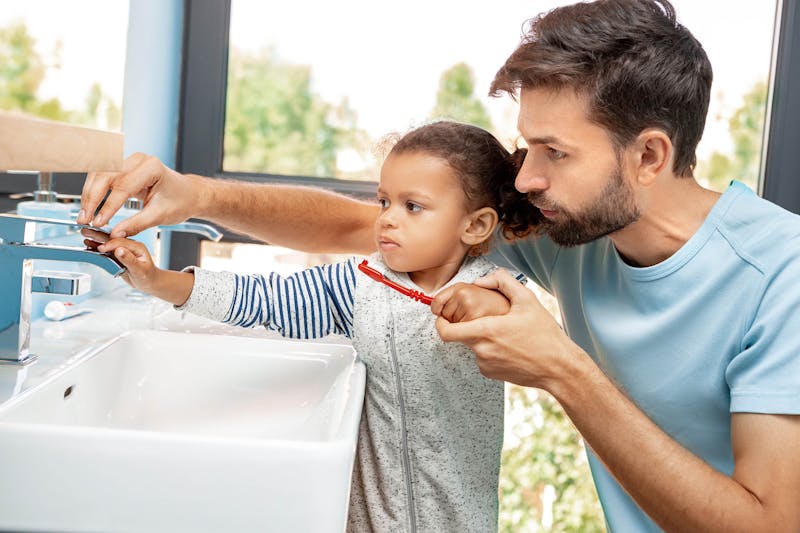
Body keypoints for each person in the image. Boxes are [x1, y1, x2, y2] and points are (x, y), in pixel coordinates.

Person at [79, 0, 800, 530]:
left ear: (648, 156)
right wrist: (196, 194)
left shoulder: (782, 275)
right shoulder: (574, 225)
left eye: (555, 152)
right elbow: (363, 226)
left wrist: (563, 369)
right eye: (527, 148)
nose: (525, 179)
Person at [83, 121, 541, 532]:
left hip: (461, 518)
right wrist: (156, 280)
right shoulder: (356, 285)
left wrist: (487, 304)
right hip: (366, 518)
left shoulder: (499, 291)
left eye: (413, 206)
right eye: (384, 201)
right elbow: (262, 299)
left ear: (476, 225)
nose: (386, 218)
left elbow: (527, 334)